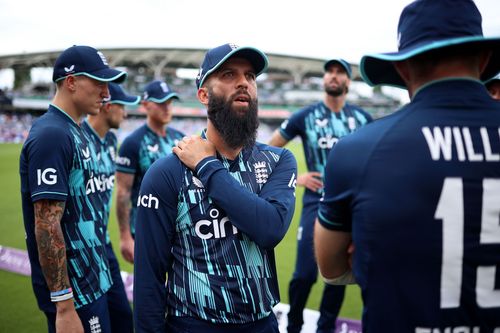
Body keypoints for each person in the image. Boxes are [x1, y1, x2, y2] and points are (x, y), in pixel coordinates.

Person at [314, 0, 500, 331]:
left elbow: (331, 267)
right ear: (484, 59)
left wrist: (383, 255)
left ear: (402, 68)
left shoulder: (357, 150)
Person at [133, 43, 298, 333]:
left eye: (250, 76)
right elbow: (149, 279)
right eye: (228, 74)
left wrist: (208, 167)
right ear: (203, 94)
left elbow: (269, 229)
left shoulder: (278, 160)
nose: (243, 82)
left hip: (263, 324)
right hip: (193, 324)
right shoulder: (167, 173)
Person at [19, 45, 127, 333]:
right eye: (99, 83)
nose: (106, 93)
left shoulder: (74, 130)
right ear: (71, 82)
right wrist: (64, 306)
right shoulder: (52, 134)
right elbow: (46, 224)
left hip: (93, 279)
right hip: (75, 294)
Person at [268, 59, 372, 332]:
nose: (334, 76)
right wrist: (298, 179)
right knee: (303, 274)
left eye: (341, 72)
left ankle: (325, 327)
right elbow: (269, 151)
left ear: (348, 81)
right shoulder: (306, 116)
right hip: (316, 202)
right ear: (325, 79)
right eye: (330, 72)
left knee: (337, 275)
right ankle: (294, 325)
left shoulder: (362, 119)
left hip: (350, 204)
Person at [81, 82, 140, 333]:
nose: (126, 114)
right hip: (81, 253)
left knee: (124, 320)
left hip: (104, 247)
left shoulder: (111, 140)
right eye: (123, 107)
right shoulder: (75, 139)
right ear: (107, 106)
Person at [114, 79, 184, 263]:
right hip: (145, 230)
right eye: (161, 103)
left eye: (170, 102)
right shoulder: (133, 142)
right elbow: (123, 192)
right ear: (145, 105)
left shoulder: (180, 138)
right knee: (150, 289)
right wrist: (125, 237)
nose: (167, 107)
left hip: (179, 229)